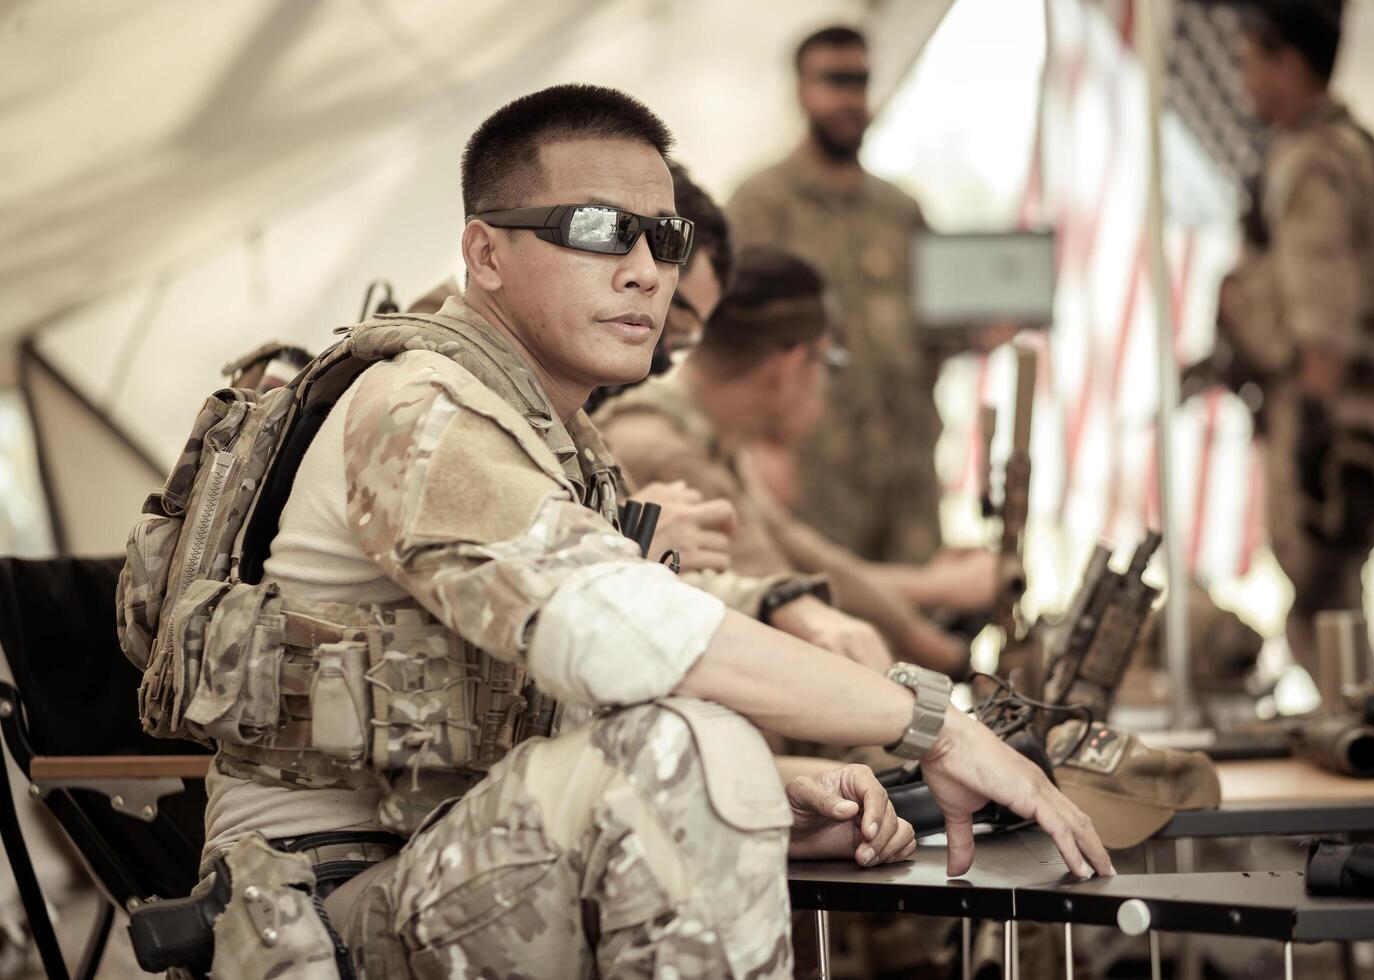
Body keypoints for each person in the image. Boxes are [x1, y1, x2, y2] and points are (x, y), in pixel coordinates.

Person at [152, 84, 1109, 978]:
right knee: (687, 745)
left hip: (440, 862)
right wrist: (935, 727)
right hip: (322, 910)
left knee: (709, 755)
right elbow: (627, 634)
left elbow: (553, 695)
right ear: (484, 255)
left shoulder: (552, 436)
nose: (647, 271)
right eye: (599, 231)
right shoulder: (423, 413)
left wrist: (769, 793)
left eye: (664, 237)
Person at [598, 245, 1002, 679]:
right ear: (790, 367)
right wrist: (948, 657)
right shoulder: (669, 452)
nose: (826, 388)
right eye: (828, 363)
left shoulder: (702, 435)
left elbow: (806, 558)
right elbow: (781, 588)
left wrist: (934, 597)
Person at [1212, 0, 1374, 677]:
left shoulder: (1312, 162)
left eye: (1249, 62)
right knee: (1328, 595)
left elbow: (1323, 306)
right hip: (1340, 403)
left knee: (1321, 595)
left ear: (1286, 59)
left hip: (1320, 404)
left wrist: (1313, 428)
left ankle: (1350, 729)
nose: (1243, 81)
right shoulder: (1340, 147)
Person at [726, 25, 941, 565]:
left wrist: (979, 330)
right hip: (811, 472)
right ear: (801, 90)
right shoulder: (761, 204)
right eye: (835, 81)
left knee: (922, 626)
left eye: (861, 82)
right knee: (825, 624)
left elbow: (931, 337)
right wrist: (755, 447)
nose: (851, 99)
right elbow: (726, 334)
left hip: (905, 473)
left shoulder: (901, 212)